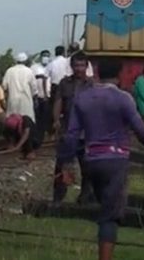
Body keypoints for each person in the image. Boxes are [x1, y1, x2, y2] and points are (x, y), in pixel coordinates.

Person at [57, 57, 144, 260]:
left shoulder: (82, 98)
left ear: (97, 73)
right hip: (115, 160)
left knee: (106, 207)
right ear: (120, 75)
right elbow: (140, 130)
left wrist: (66, 164)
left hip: (91, 160)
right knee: (110, 215)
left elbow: (71, 135)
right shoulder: (123, 98)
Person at [52, 52, 93, 204]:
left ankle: (85, 198)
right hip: (68, 131)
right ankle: (58, 199)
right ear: (72, 66)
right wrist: (56, 120)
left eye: (82, 65)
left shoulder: (92, 84)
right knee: (61, 167)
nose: (79, 69)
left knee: (87, 168)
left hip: (86, 133)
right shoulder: (65, 83)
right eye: (76, 65)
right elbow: (58, 101)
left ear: (86, 66)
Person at [2, 53, 36, 121]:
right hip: (26, 101)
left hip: (13, 101)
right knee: (27, 122)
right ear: (26, 61)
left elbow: (4, 86)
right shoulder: (29, 71)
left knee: (13, 123)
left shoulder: (9, 71)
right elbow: (34, 88)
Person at [31, 51, 52, 135]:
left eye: (47, 56)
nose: (45, 57)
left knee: (47, 115)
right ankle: (38, 132)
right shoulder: (34, 67)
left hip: (49, 95)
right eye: (44, 56)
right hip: (38, 95)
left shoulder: (51, 66)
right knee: (38, 115)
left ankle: (47, 131)